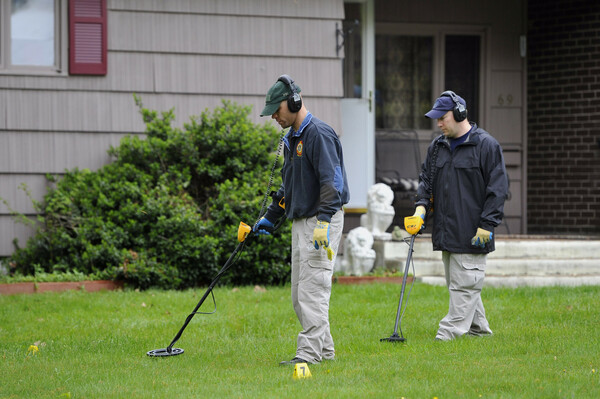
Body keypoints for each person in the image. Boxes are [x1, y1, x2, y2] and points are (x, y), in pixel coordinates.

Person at [254, 75, 350, 365]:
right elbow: (289, 184)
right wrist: (271, 217)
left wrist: (323, 221)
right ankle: (325, 351)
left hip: (321, 220)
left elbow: (332, 182)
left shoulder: (319, 134)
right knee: (300, 293)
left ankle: (308, 356)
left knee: (313, 289)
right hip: (302, 221)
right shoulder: (292, 138)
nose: (273, 116)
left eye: (276, 109)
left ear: (294, 101)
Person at [410, 90, 509, 341]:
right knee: (460, 284)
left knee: (464, 285)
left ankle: (448, 334)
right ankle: (479, 330)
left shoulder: (486, 145)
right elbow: (426, 182)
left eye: (442, 118)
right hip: (447, 231)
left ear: (460, 114)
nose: (439, 123)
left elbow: (498, 189)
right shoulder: (437, 147)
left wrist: (487, 224)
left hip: (474, 231)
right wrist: (421, 208)